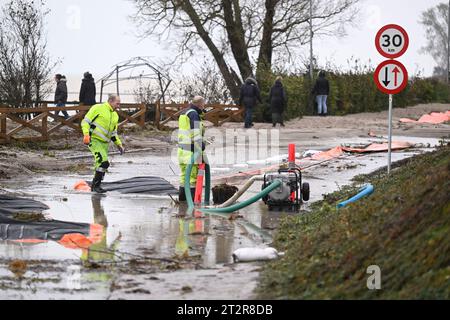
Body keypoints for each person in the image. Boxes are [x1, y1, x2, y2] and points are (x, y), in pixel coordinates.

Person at [81, 94, 125, 193]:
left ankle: (96, 186)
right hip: (94, 140)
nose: (118, 106)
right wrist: (86, 135)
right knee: (104, 162)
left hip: (105, 143)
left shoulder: (115, 115)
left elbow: (113, 133)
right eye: (117, 103)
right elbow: (85, 122)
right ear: (111, 101)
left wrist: (119, 145)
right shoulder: (98, 108)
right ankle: (96, 186)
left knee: (100, 165)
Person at [177, 96, 206, 201]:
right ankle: (192, 204)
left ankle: (182, 203)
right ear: (200, 104)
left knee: (184, 177)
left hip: (182, 150)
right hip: (191, 151)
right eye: (203, 105)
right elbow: (195, 133)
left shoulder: (184, 113)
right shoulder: (194, 114)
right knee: (192, 178)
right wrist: (201, 146)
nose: (204, 107)